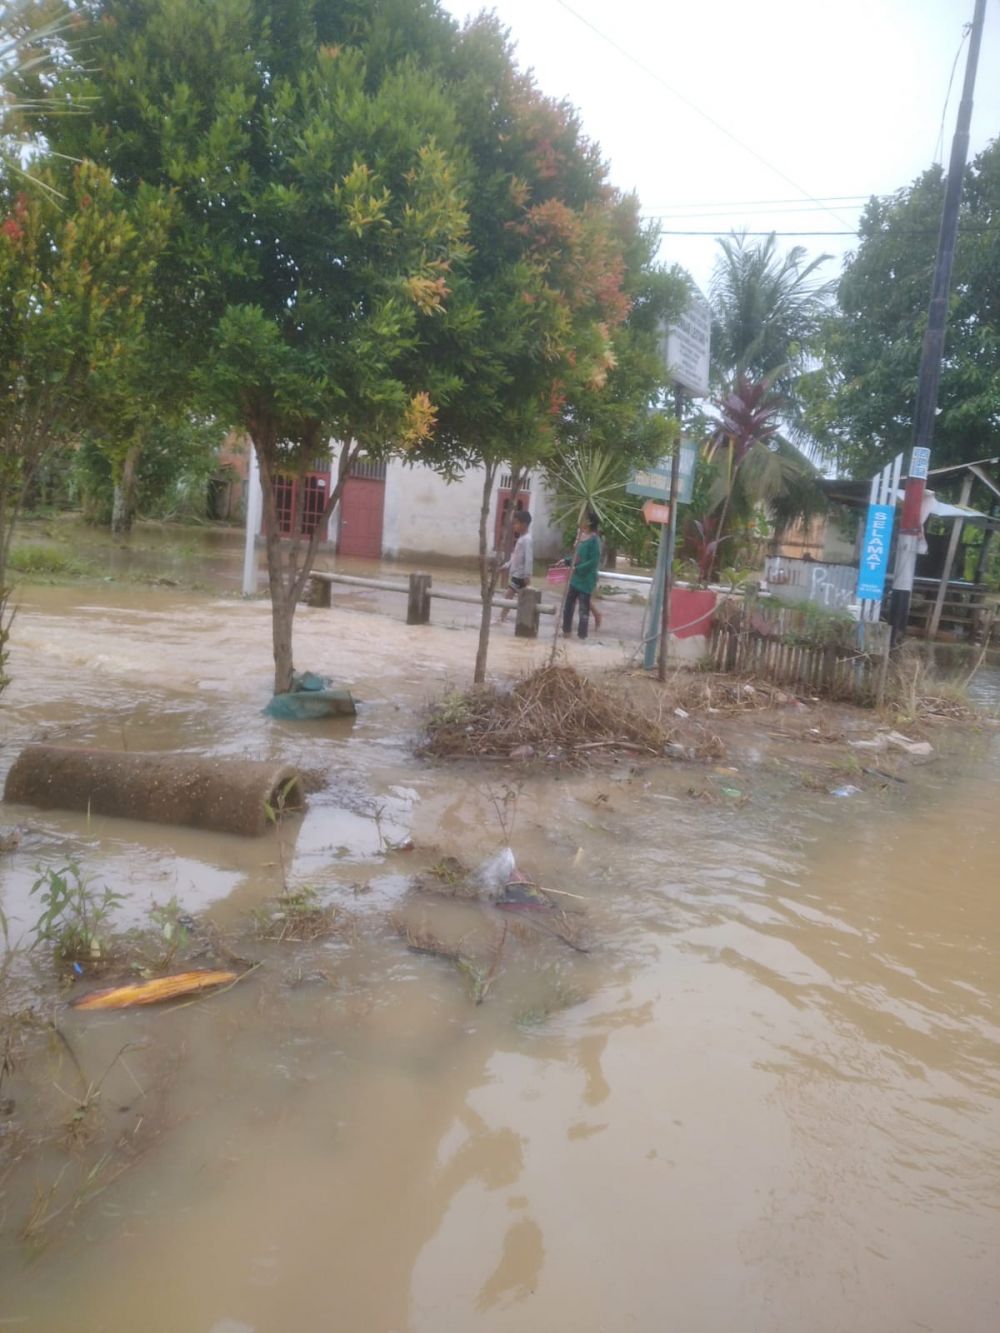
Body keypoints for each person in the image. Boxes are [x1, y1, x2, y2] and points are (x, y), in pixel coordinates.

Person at [563, 512, 601, 640]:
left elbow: (593, 561)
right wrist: (566, 561)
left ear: (589, 523)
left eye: (584, 520)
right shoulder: (581, 537)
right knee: (568, 605)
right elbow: (577, 556)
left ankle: (582, 637)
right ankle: (566, 632)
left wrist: (576, 568)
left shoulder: (594, 540)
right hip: (575, 579)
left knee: (583, 610)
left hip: (586, 580)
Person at [498, 508, 533, 624]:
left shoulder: (527, 540)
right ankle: (507, 618)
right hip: (518, 574)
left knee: (509, 596)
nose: (514, 526)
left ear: (524, 524)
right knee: (522, 599)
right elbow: (515, 557)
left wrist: (527, 575)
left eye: (516, 523)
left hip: (521, 575)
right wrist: (507, 565)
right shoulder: (521, 539)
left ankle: (501, 618)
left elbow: (528, 559)